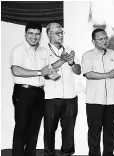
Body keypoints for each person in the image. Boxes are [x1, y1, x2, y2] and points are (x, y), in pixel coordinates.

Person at [10, 21, 51, 156]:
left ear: (41, 35)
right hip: (23, 92)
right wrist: (40, 72)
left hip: (39, 93)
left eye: (37, 34)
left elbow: (46, 73)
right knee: (21, 129)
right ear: (25, 34)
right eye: (31, 33)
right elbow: (16, 70)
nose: (34, 37)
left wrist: (52, 74)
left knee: (34, 131)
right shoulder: (18, 49)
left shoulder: (43, 51)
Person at [81, 28, 114, 156]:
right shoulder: (88, 55)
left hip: (111, 100)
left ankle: (109, 154)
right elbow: (88, 74)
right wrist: (109, 74)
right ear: (93, 41)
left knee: (110, 131)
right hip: (94, 100)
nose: (104, 41)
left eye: (105, 38)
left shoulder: (113, 54)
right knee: (94, 131)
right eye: (100, 39)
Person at [43, 23, 81, 156]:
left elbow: (78, 71)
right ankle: (49, 154)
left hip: (70, 97)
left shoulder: (69, 49)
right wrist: (62, 60)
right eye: (57, 33)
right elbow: (45, 72)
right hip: (51, 97)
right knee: (49, 129)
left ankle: (67, 153)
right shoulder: (43, 51)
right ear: (49, 34)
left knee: (69, 129)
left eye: (61, 33)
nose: (60, 35)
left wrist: (71, 63)